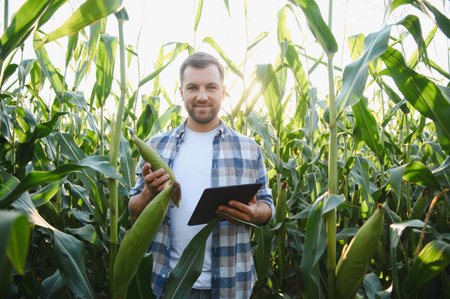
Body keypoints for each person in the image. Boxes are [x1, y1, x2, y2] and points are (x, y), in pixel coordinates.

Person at [129, 52, 274, 299]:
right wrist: (148, 194)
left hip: (230, 284)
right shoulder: (155, 147)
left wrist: (253, 214)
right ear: (181, 92)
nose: (202, 96)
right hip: (167, 283)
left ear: (223, 92)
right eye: (192, 87)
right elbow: (133, 209)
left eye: (211, 87)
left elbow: (267, 207)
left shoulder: (249, 149)